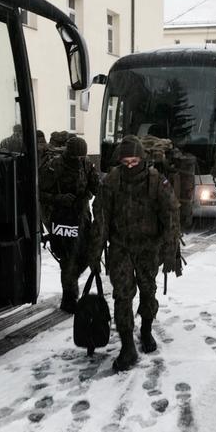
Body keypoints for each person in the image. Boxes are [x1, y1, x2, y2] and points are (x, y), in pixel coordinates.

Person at [88, 135, 181, 372]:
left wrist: (171, 252)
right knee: (122, 296)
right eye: (126, 161)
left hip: (149, 249)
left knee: (148, 292)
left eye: (134, 160)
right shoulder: (111, 182)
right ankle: (127, 347)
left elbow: (171, 217)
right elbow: (101, 219)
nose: (130, 165)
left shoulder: (156, 182)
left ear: (143, 159)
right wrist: (95, 252)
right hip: (120, 248)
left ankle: (147, 330)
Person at [39, 136, 100, 313]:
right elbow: (39, 193)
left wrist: (96, 192)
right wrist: (59, 198)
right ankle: (69, 298)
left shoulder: (86, 164)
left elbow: (96, 186)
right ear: (68, 153)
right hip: (62, 218)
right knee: (68, 259)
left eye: (82, 157)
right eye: (76, 157)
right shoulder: (55, 166)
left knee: (88, 254)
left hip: (82, 216)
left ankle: (71, 285)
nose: (79, 160)